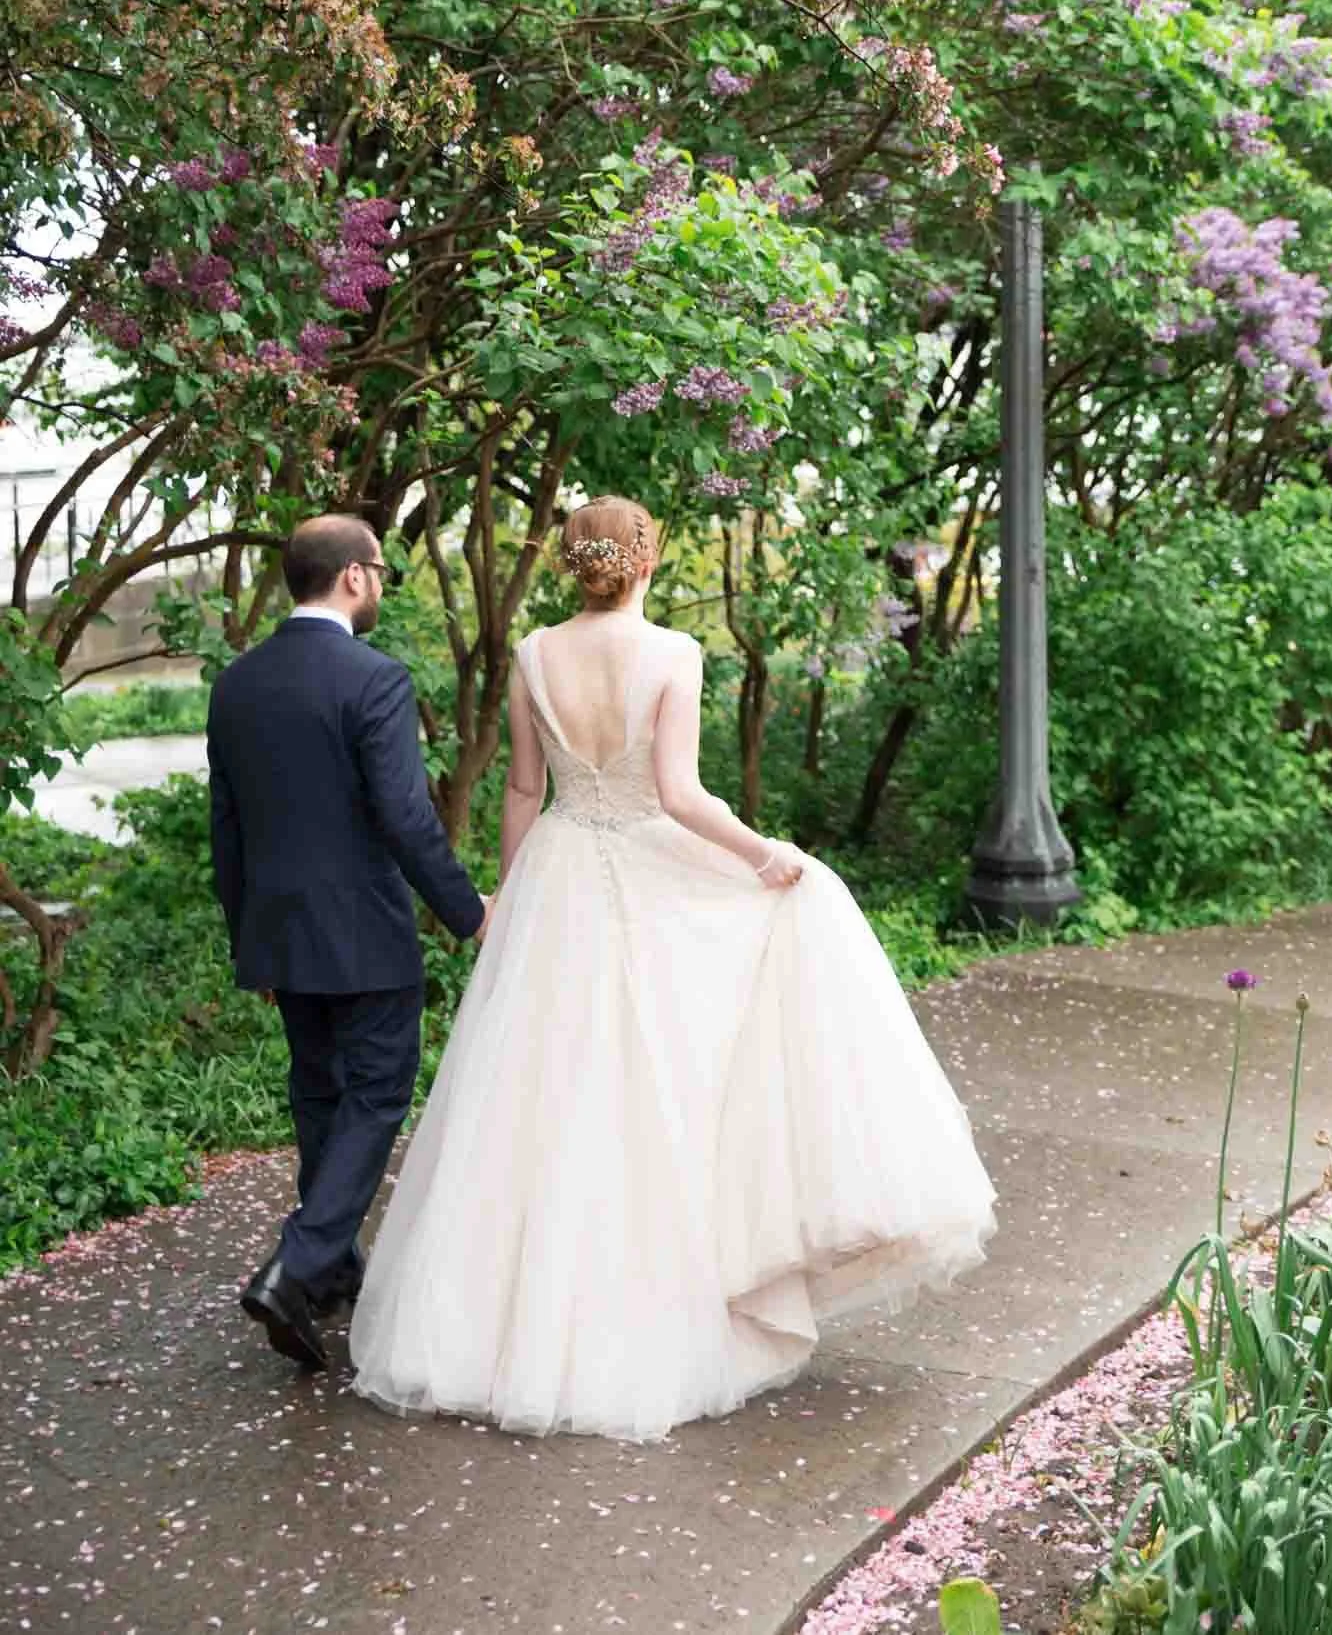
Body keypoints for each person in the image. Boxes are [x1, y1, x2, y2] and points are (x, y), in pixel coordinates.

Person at [349, 495, 995, 1441]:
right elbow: (681, 794)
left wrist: (508, 900)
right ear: (646, 562)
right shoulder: (673, 654)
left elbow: (523, 788)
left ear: (573, 564)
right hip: (646, 870)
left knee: (541, 1098)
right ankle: (657, 1318)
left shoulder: (532, 654)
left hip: (558, 876)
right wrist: (763, 854)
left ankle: (496, 1337)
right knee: (665, 1090)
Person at [208, 513, 490, 1372]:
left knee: (320, 1093)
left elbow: (227, 827)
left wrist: (248, 938)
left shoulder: (237, 683)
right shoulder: (374, 678)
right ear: (356, 576)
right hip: (364, 932)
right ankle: (294, 1268)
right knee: (375, 1093)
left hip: (280, 931)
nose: (381, 586)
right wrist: (468, 912)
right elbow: (405, 816)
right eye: (382, 573)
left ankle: (331, 1269)